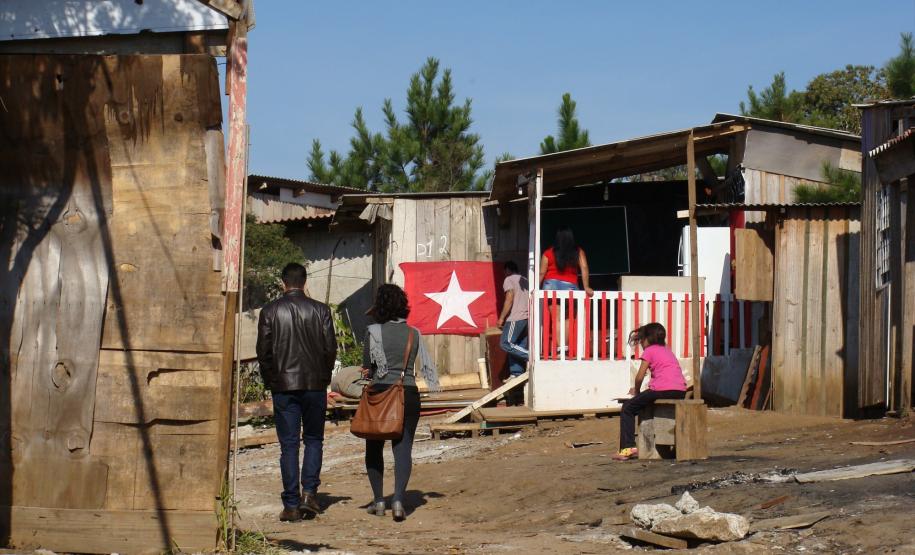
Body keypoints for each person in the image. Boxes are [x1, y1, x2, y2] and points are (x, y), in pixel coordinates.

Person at [256, 263, 337, 521]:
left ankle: (291, 504)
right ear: (304, 282)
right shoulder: (321, 310)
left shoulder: (269, 311)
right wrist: (322, 378)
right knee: (313, 439)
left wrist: (273, 380)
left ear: (283, 283)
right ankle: (309, 494)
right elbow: (329, 349)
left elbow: (263, 352)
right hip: (315, 385)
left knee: (288, 445)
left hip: (283, 386)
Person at [362, 284, 441, 521]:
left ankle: (378, 501)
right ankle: (397, 500)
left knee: (374, 448)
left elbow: (368, 369)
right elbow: (418, 365)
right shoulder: (414, 333)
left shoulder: (372, 332)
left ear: (380, 307)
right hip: (407, 394)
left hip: (379, 395)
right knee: (403, 448)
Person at [613, 322, 687, 461]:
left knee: (627, 408)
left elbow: (640, 376)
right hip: (680, 390)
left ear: (648, 339)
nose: (640, 343)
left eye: (641, 339)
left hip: (662, 390)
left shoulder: (650, 351)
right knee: (647, 399)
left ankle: (627, 448)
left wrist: (636, 390)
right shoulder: (667, 350)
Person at [539, 226, 593, 297]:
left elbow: (542, 273)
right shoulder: (578, 251)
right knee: (572, 307)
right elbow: (584, 267)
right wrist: (586, 287)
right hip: (570, 285)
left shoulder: (547, 253)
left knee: (554, 307)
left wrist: (535, 288)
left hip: (550, 285)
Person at [497, 260, 529, 378]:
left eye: (505, 272)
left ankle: (531, 356)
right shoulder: (526, 280)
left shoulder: (509, 279)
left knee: (506, 343)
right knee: (516, 345)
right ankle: (516, 373)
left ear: (508, 270)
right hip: (527, 319)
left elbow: (509, 298)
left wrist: (501, 318)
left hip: (516, 317)